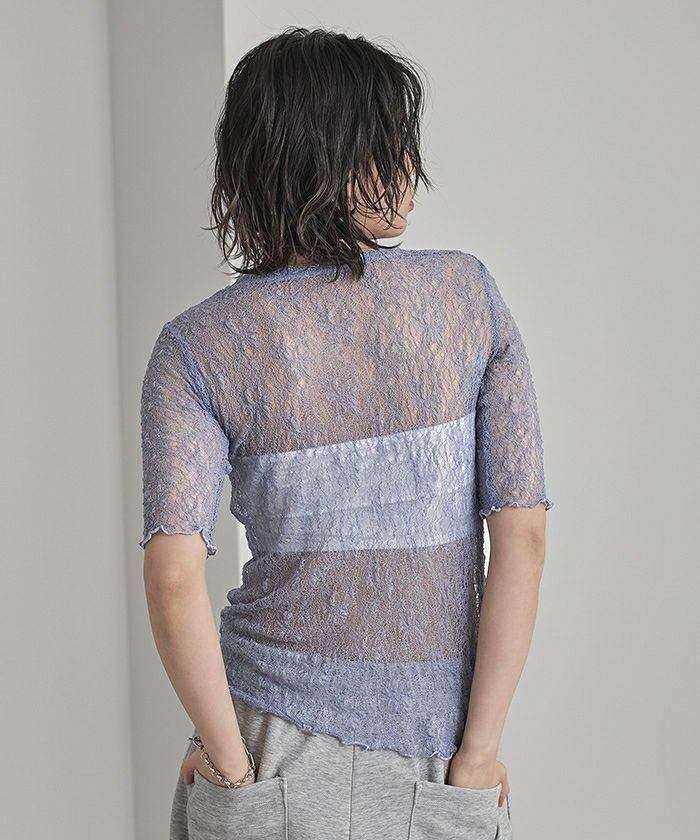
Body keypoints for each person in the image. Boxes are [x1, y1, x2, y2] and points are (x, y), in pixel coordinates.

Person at [139, 25, 553, 840]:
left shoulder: (196, 346)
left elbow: (175, 577)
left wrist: (229, 763)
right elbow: (524, 538)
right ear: (334, 157)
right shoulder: (468, 299)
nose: (409, 166)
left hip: (264, 741)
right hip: (437, 751)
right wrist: (480, 753)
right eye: (390, 142)